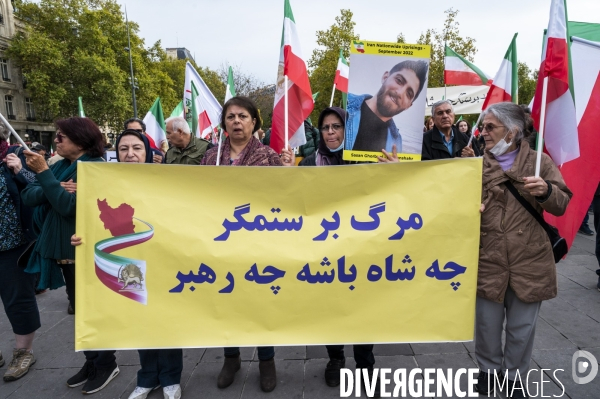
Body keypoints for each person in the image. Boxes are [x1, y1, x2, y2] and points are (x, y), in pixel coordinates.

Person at [71, 129, 181, 399]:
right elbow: (97, 220)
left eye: (136, 148)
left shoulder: (168, 182)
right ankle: (146, 378)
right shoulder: (105, 185)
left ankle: (170, 378)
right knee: (139, 319)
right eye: (123, 149)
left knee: (165, 320)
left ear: (148, 153)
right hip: (129, 262)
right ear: (115, 153)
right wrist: (81, 237)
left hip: (163, 260)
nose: (130, 154)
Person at [475, 103, 571, 399]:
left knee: (521, 329)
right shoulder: (475, 165)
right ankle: (489, 371)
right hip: (487, 260)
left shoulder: (539, 162)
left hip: (529, 261)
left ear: (513, 131)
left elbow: (562, 202)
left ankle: (515, 376)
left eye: (490, 127)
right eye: (483, 127)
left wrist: (546, 191)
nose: (483, 133)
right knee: (486, 326)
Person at [20, 117, 121, 395]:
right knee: (79, 309)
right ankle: (91, 361)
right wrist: (53, 184)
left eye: (62, 136)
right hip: (66, 252)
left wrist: (48, 180)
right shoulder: (62, 166)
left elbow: (67, 207)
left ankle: (106, 364)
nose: (56, 140)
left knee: (94, 312)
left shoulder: (95, 169)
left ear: (81, 139)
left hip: (86, 252)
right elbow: (29, 196)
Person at [201, 96, 292, 393]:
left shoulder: (269, 157)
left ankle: (267, 360)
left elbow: (285, 201)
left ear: (254, 122)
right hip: (222, 243)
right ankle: (231, 358)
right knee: (226, 300)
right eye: (231, 117)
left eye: (242, 116)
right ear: (224, 123)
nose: (236, 121)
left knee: (259, 303)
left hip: (258, 245)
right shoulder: (210, 157)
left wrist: (291, 175)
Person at [296, 106, 379, 397]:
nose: (330, 132)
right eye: (326, 127)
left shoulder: (366, 160)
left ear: (348, 129)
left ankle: (365, 365)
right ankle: (335, 358)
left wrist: (392, 167)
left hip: (361, 251)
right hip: (324, 252)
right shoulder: (309, 163)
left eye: (337, 126)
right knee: (330, 309)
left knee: (362, 310)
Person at [0, 126, 40, 382]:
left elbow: (42, 187)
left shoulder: (16, 155)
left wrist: (20, 170)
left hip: (12, 245)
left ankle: (23, 352)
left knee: (18, 299)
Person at [346, 60, 429, 153]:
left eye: (409, 94)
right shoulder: (345, 103)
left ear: (408, 106)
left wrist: (394, 167)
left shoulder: (397, 142)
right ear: (385, 77)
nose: (400, 93)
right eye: (399, 81)